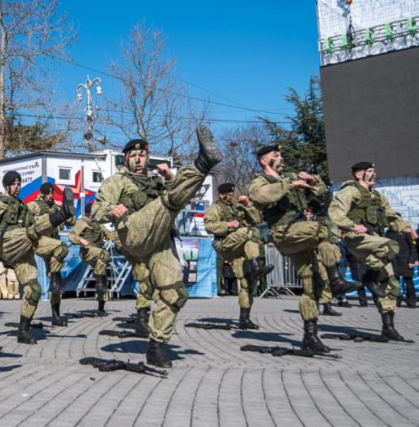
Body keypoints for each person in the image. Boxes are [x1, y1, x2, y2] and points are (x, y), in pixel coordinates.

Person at [92, 126, 222, 368]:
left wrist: (172, 179)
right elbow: (96, 210)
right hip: (134, 232)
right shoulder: (117, 181)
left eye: (142, 156)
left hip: (160, 240)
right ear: (126, 159)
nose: (138, 159)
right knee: (167, 200)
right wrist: (112, 209)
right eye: (133, 156)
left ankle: (156, 347)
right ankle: (202, 164)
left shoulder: (157, 181)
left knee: (174, 292)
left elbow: (182, 200)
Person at [249, 145, 359, 353]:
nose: (281, 158)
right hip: (283, 232)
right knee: (326, 228)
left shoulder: (291, 176)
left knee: (312, 284)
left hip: (301, 233)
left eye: (281, 155)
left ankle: (310, 336)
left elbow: (319, 196)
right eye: (276, 155)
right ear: (265, 161)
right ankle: (336, 281)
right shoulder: (260, 181)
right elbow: (260, 197)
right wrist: (289, 184)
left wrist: (313, 181)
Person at [0, 170, 75, 344]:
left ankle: (23, 331)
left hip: (23, 247)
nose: (17, 187)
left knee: (34, 289)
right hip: (6, 242)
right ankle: (63, 213)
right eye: (13, 184)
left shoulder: (22, 206)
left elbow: (34, 226)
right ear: (6, 186)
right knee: (31, 232)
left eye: (19, 183)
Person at [328, 162, 418, 340]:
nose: (374, 174)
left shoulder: (378, 197)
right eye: (370, 171)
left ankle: (388, 327)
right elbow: (336, 212)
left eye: (375, 171)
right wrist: (352, 226)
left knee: (391, 285)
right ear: (359, 175)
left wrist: (407, 228)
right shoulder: (350, 191)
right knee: (390, 245)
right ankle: (368, 277)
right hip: (357, 239)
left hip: (376, 240)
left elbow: (391, 217)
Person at [204, 182, 273, 329]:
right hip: (225, 243)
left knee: (247, 283)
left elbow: (255, 220)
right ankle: (256, 267)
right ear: (220, 195)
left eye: (231, 194)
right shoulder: (214, 208)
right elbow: (209, 226)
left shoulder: (237, 207)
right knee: (251, 232)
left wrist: (248, 205)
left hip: (240, 246)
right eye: (227, 194)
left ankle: (244, 318)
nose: (230, 197)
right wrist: (228, 225)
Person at [28, 182, 75, 326]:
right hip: (41, 242)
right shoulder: (33, 206)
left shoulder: (55, 206)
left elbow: (71, 222)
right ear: (42, 193)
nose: (51, 196)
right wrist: (43, 218)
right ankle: (27, 316)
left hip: (54, 244)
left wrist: (66, 209)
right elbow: (27, 223)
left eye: (52, 193)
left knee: (56, 284)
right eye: (48, 193)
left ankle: (56, 316)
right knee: (62, 248)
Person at [68, 202, 113, 316]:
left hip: (97, 253)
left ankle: (101, 308)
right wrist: (80, 240)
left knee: (103, 278)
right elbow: (71, 235)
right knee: (104, 253)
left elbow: (109, 234)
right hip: (87, 251)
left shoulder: (98, 223)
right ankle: (98, 282)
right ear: (90, 213)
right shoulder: (82, 222)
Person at [385, 218, 418, 309]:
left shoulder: (406, 232)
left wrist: (411, 261)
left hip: (406, 261)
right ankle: (397, 301)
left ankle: (411, 301)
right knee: (395, 282)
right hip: (394, 261)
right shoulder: (389, 232)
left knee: (408, 282)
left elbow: (413, 247)